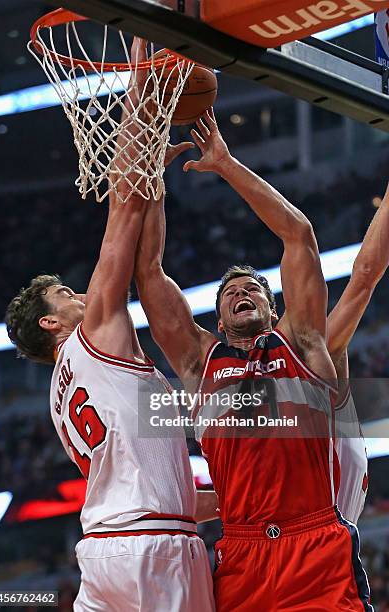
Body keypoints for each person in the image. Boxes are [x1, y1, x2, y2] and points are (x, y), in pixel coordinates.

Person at [5, 39, 215, 612]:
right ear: (52, 322)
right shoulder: (93, 331)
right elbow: (121, 217)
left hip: (106, 549)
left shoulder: (61, 391)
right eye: (64, 294)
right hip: (154, 550)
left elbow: (147, 480)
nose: (79, 293)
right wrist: (143, 99)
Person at [134, 107, 373, 611]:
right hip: (242, 551)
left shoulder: (303, 342)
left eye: (254, 289)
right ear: (219, 320)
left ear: (272, 308)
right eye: (231, 293)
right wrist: (151, 178)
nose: (243, 292)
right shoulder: (202, 363)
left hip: (316, 545)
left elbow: (298, 236)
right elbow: (150, 276)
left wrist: (225, 164)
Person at [328, 182, 389, 524]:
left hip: (325, 538)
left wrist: (228, 166)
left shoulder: (313, 354)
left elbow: (365, 275)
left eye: (250, 288)